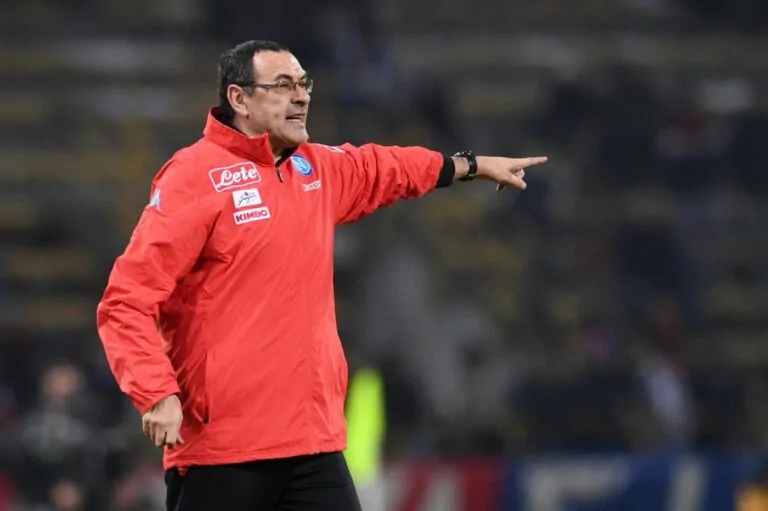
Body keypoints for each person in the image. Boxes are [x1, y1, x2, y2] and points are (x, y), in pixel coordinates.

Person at [96, 39, 547, 511]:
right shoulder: (193, 176)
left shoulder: (315, 167)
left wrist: (469, 166)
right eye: (283, 85)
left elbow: (387, 168)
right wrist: (157, 394)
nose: (301, 96)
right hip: (224, 448)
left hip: (312, 443)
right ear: (239, 98)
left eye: (303, 83)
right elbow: (126, 301)